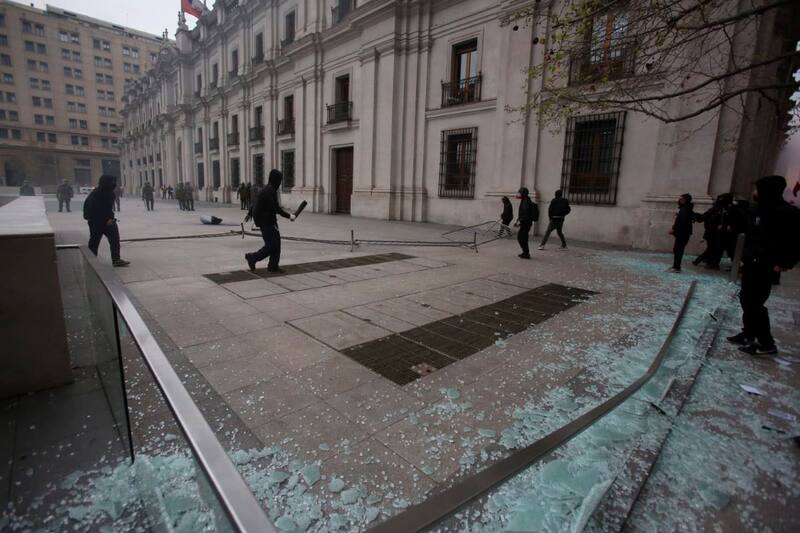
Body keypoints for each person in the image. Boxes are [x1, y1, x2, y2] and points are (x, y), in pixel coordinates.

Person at [728, 175, 800, 356]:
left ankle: (766, 342)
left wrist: (784, 263)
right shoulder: (758, 210)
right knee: (746, 298)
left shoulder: (786, 213)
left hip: (767, 264)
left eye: (758, 190)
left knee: (756, 303)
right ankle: (749, 333)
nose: (754, 193)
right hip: (752, 262)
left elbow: (794, 242)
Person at [245, 169, 295, 272]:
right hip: (267, 223)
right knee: (272, 246)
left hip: (268, 221)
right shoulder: (270, 191)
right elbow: (276, 208)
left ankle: (273, 266)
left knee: (276, 244)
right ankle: (252, 257)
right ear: (275, 180)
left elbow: (256, 202)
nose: (280, 183)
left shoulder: (266, 189)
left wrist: (249, 213)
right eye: (279, 180)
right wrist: (289, 216)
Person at [83, 174, 129, 267]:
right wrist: (103, 219)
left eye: (114, 182)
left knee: (115, 239)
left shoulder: (110, 193)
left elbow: (108, 208)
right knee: (94, 241)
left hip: (108, 221)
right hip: (96, 222)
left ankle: (116, 259)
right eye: (112, 182)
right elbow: (91, 208)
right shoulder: (96, 193)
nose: (114, 184)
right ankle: (91, 260)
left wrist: (110, 218)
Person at [667, 193, 700, 273]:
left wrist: (674, 229)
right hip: (683, 233)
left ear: (685, 200)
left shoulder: (685, 210)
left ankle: (676, 267)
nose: (679, 200)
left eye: (681, 199)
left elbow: (682, 222)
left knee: (678, 250)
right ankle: (676, 266)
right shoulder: (686, 209)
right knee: (677, 249)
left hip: (682, 233)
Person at [514, 187, 538, 259]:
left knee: (521, 238)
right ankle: (525, 253)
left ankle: (526, 253)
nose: (518, 194)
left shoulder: (525, 201)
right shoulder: (525, 200)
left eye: (520, 192)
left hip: (526, 223)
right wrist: (519, 220)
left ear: (523, 193)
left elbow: (525, 213)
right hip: (526, 223)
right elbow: (523, 213)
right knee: (523, 238)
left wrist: (519, 222)